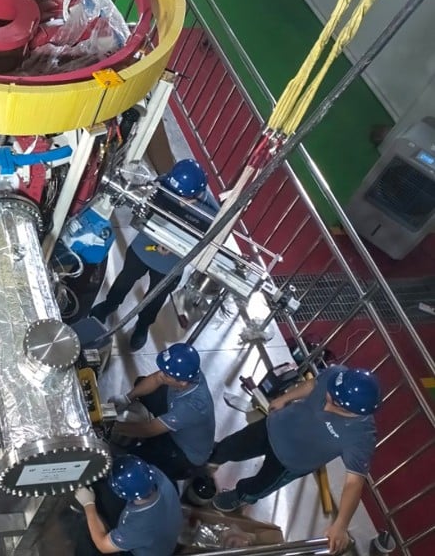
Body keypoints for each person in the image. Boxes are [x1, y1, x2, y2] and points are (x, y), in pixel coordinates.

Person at [209, 366, 380, 554]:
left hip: (290, 463)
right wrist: (285, 398)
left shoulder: (361, 437)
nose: (325, 405)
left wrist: (340, 524)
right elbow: (313, 384)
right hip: (273, 427)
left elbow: (354, 483)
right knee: (232, 445)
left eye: (336, 405)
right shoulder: (336, 376)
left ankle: (239, 496)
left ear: (356, 411)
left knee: (259, 485)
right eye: (329, 395)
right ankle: (213, 458)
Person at [89, 159, 219, 350]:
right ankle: (110, 305)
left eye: (186, 199)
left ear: (200, 193)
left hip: (171, 263)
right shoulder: (165, 183)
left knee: (156, 297)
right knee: (125, 279)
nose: (180, 201)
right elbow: (145, 208)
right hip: (144, 246)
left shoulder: (211, 213)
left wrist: (176, 247)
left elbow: (206, 244)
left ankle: (142, 326)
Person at [110, 343, 215, 482]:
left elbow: (148, 430)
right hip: (177, 412)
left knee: (130, 462)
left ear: (182, 382)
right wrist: (127, 398)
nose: (161, 374)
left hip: (183, 451)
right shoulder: (188, 371)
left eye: (166, 374)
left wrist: (111, 426)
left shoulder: (192, 407)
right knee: (141, 382)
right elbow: (156, 378)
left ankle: (172, 469)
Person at [73, 455, 182, 556]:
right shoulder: (155, 475)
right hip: (163, 528)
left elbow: (103, 546)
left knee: (87, 538)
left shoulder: (139, 526)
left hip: (147, 551)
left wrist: (88, 504)